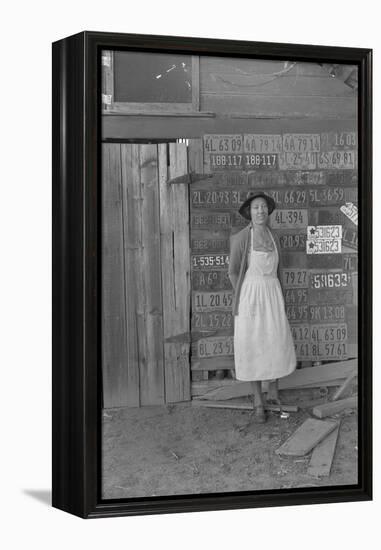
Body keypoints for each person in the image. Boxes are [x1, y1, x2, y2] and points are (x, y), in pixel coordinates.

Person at [228, 192, 296, 423]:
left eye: (264, 207)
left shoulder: (274, 237)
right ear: (249, 211)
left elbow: (279, 270)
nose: (260, 211)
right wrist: (242, 293)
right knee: (253, 345)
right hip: (250, 296)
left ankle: (273, 393)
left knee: (275, 341)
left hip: (272, 293)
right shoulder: (241, 239)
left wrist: (281, 296)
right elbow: (233, 270)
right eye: (256, 207)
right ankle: (258, 400)